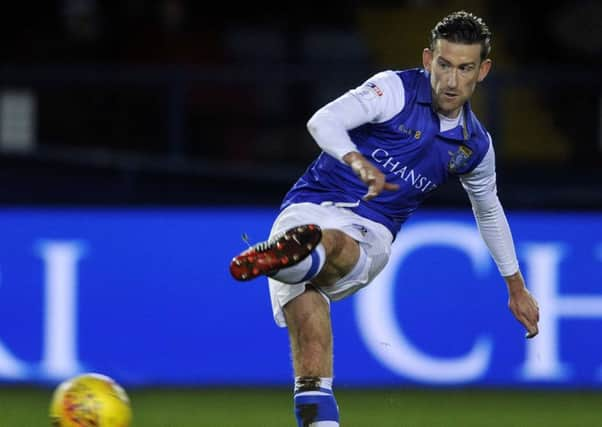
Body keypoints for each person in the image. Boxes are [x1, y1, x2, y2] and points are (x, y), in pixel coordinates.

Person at [230, 10, 540, 427]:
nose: (451, 80)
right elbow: (323, 121)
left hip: (371, 232)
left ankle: (291, 259)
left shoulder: (474, 147)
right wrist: (356, 160)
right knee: (310, 341)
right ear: (429, 59)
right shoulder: (394, 89)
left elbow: (488, 209)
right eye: (444, 65)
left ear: (482, 71)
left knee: (333, 242)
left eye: (465, 68)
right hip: (308, 205)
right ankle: (292, 262)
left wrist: (516, 286)